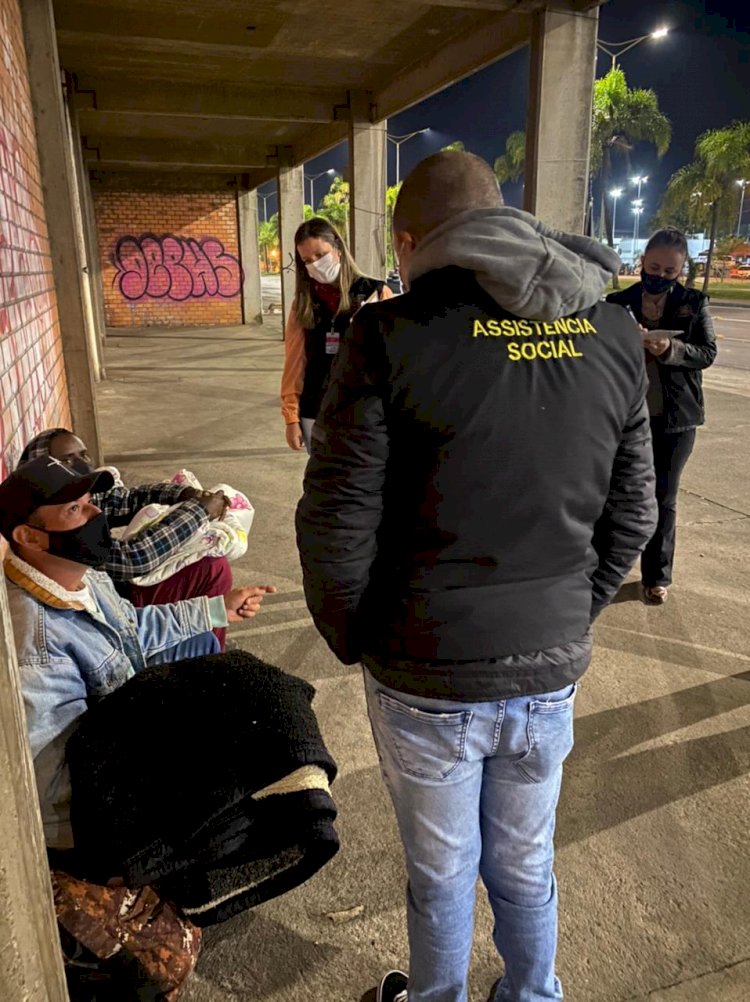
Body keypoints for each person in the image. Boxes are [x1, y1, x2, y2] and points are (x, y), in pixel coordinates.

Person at [296, 151, 658, 1002]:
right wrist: (572, 611)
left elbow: (335, 523)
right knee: (527, 862)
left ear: (412, 240)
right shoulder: (610, 331)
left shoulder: (388, 335)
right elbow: (634, 513)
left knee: (444, 872)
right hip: (548, 667)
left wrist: (359, 638)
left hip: (426, 671)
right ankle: (533, 995)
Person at [0, 455, 275, 850]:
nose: (96, 513)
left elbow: (130, 626)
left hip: (126, 713)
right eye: (75, 509)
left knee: (220, 662)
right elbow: (58, 792)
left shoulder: (82, 573)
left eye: (89, 500)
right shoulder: (38, 648)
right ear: (29, 537)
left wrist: (218, 608)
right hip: (105, 805)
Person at [19, 428, 234, 646]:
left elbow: (128, 500)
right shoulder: (53, 525)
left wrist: (184, 494)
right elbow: (132, 559)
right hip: (112, 611)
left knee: (205, 632)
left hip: (114, 602)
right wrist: (199, 510)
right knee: (212, 570)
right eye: (67, 460)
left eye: (83, 455)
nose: (95, 512)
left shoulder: (80, 499)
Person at [607, 227, 717, 604]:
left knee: (663, 498)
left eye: (670, 271)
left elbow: (707, 352)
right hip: (625, 415)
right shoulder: (617, 302)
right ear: (642, 263)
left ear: (681, 269)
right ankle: (608, 569)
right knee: (616, 495)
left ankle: (657, 575)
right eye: (654, 266)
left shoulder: (695, 302)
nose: (660, 275)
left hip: (675, 417)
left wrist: (671, 348)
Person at [280, 217, 393, 452]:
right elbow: (294, 363)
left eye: (320, 255)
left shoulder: (375, 293)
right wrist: (291, 417)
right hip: (315, 411)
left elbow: (393, 359)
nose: (315, 265)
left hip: (364, 412)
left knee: (365, 482)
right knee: (322, 482)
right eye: (307, 261)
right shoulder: (303, 304)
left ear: (338, 250)